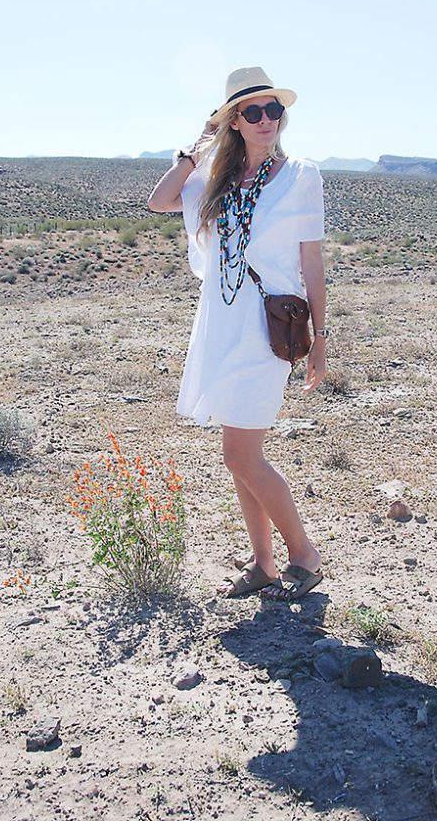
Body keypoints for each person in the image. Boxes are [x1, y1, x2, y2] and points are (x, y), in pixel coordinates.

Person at [148, 67, 328, 601]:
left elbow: (312, 262)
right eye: (252, 111)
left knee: (241, 454)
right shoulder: (215, 180)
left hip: (266, 326)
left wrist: (321, 338)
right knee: (238, 452)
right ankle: (264, 564)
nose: (266, 119)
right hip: (220, 323)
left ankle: (305, 557)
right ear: (233, 121)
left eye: (274, 110)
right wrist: (193, 150)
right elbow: (160, 200)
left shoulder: (300, 176)